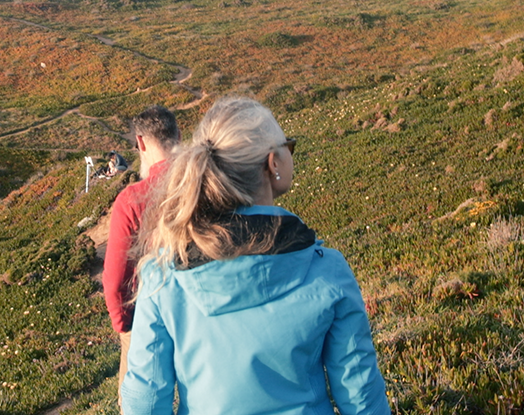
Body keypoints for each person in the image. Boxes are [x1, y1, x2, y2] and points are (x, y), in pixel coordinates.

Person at [120, 97, 389, 414]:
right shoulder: (327, 270)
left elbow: (146, 402)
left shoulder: (162, 276)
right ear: (273, 163)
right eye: (288, 145)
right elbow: (362, 399)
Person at [103, 106, 181, 380]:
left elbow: (114, 281)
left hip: (150, 320)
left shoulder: (133, 199)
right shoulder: (207, 181)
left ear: (140, 142)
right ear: (178, 136)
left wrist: (124, 327)